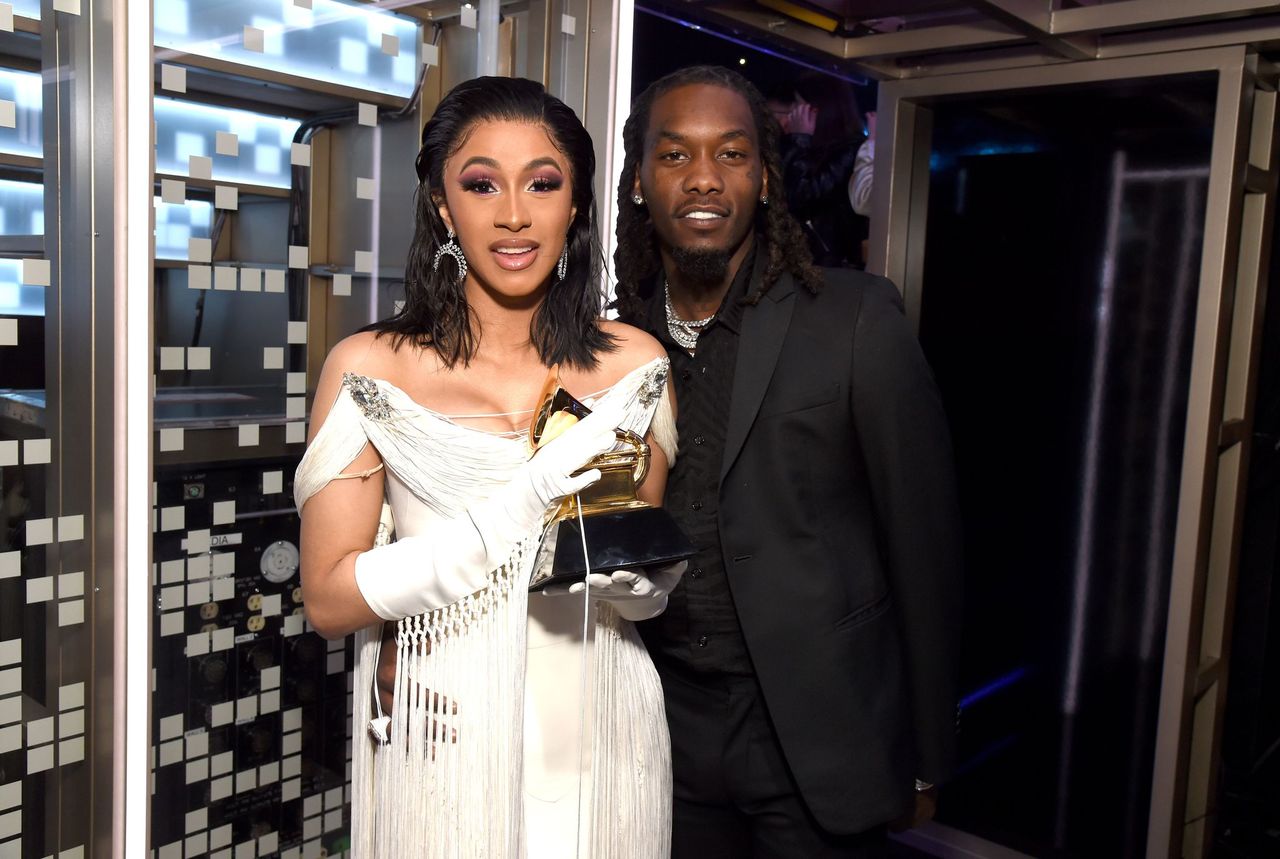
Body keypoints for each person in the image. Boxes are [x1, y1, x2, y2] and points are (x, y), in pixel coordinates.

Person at [295, 76, 679, 858]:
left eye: (543, 182)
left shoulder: (636, 366)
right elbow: (330, 597)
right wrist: (515, 507)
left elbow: (630, 571)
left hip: (602, 723)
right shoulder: (370, 369)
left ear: (575, 205)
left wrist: (647, 588)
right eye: (481, 183)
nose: (513, 213)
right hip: (443, 731)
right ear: (443, 205)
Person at [613, 65, 963, 857]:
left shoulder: (854, 320)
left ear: (765, 176)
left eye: (731, 154)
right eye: (675, 156)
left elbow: (925, 541)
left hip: (817, 733)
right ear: (640, 181)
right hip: (661, 732)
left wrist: (926, 754)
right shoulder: (613, 345)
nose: (704, 177)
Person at [776, 74, 868, 268]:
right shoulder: (805, 148)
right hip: (800, 261)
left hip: (831, 266)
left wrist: (799, 139)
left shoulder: (851, 149)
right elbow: (771, 197)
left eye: (798, 105)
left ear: (820, 108)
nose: (792, 113)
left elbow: (801, 196)